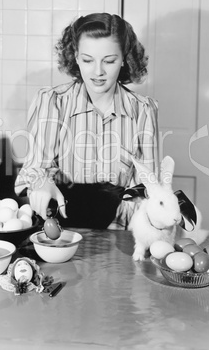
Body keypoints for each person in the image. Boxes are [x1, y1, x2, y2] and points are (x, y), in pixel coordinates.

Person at [15, 12, 159, 229]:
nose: (98, 71)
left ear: (124, 59)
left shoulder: (143, 110)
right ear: (75, 56)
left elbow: (149, 188)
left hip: (120, 233)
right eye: (87, 60)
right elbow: (33, 170)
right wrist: (41, 183)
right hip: (60, 231)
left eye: (109, 61)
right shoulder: (52, 102)